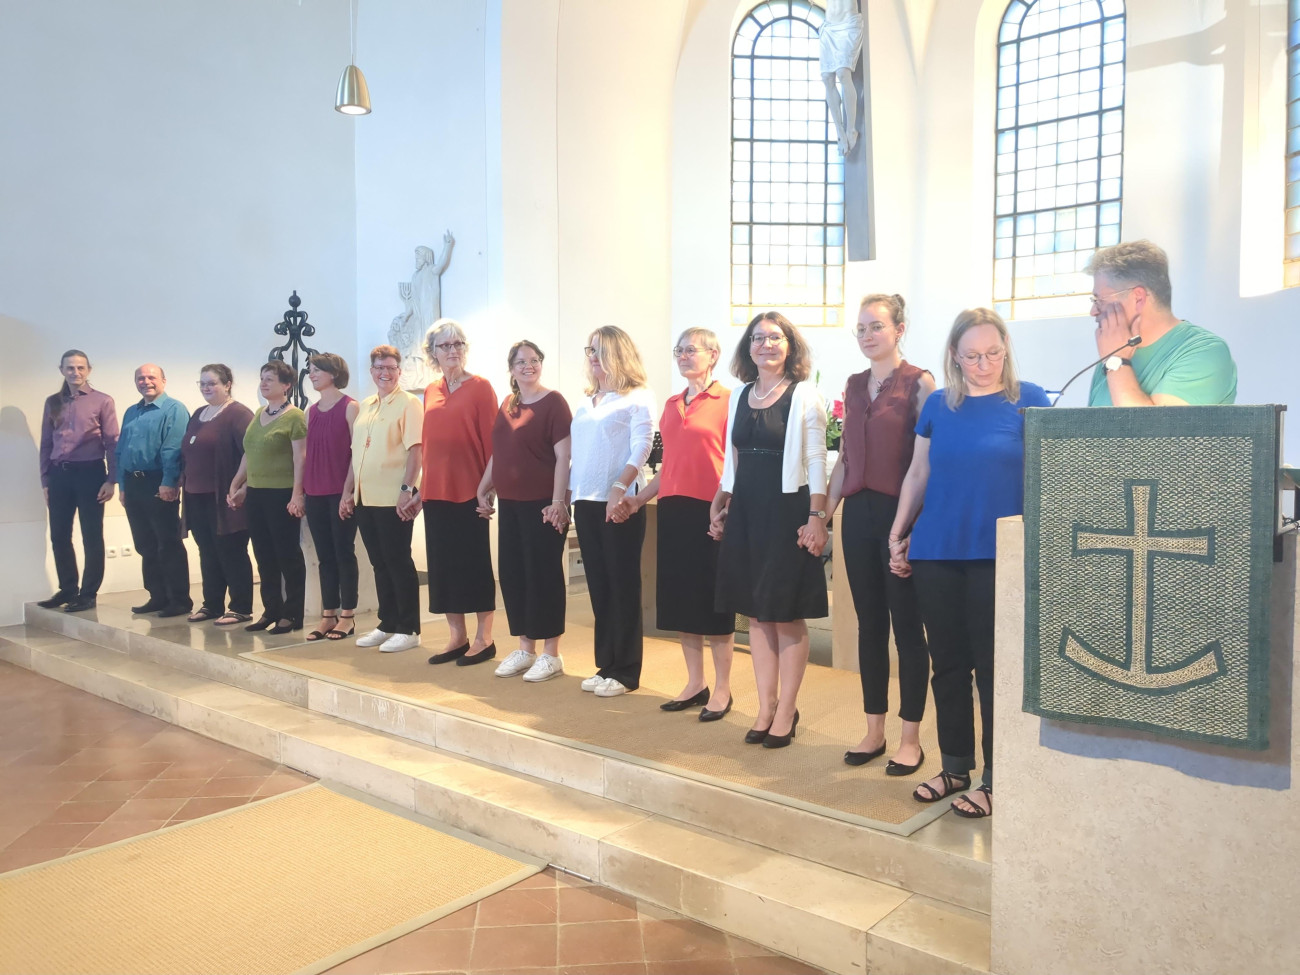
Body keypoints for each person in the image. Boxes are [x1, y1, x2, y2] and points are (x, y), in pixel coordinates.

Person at [888, 308, 1050, 819]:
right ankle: (955, 766)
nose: (984, 364)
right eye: (973, 356)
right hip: (937, 549)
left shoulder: (1030, 400)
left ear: (1006, 349)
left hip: (997, 553)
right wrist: (899, 531)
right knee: (949, 665)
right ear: (955, 356)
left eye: (993, 353)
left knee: (994, 669)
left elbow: (1047, 475)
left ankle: (998, 778)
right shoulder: (939, 404)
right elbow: (918, 473)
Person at [825, 295, 934, 773]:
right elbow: (844, 460)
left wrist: (910, 529)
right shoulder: (852, 386)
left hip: (901, 516)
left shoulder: (920, 382)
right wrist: (822, 515)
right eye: (861, 328)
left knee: (907, 628)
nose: (867, 335)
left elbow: (927, 463)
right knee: (869, 626)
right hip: (858, 516)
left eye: (877, 326)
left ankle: (911, 739)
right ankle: (874, 731)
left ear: (899, 330)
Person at [711, 312, 828, 749]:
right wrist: (724, 495)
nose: (766, 344)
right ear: (749, 348)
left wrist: (817, 516)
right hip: (746, 510)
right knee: (757, 614)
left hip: (786, 510)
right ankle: (766, 705)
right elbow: (734, 455)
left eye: (775, 337)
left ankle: (787, 709)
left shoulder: (804, 394)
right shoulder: (740, 394)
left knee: (785, 612)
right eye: (758, 338)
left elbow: (816, 459)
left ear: (789, 345)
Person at [615, 328, 735, 720]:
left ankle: (722, 688)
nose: (683, 356)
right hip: (673, 509)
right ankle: (695, 683)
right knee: (682, 600)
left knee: (713, 603)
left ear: (713, 355)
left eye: (691, 350)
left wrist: (727, 508)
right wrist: (639, 499)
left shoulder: (729, 401)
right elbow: (668, 467)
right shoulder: (670, 405)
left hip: (711, 509)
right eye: (678, 350)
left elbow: (735, 465)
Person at [569, 326, 656, 698]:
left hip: (619, 502)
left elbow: (642, 446)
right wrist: (565, 497)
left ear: (617, 353)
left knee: (622, 586)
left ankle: (626, 671)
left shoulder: (637, 396)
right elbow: (578, 455)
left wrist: (620, 487)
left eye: (599, 350)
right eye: (589, 349)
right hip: (585, 501)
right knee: (600, 586)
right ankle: (605, 664)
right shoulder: (586, 401)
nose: (592, 357)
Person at [479, 341, 573, 683]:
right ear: (511, 368)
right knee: (514, 574)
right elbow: (500, 452)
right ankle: (525, 647)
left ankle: (551, 653)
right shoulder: (508, 404)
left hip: (543, 504)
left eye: (534, 360)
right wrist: (483, 486)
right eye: (521, 361)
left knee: (543, 576)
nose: (528, 366)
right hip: (510, 503)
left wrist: (558, 502)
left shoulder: (554, 402)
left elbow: (564, 456)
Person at [420, 320, 499, 667]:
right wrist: (419, 488)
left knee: (474, 565)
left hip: (470, 490)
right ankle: (457, 636)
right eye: (445, 345)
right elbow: (428, 445)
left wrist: (488, 489)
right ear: (433, 352)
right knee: (443, 567)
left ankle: (485, 639)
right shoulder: (430, 390)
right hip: (435, 490)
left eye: (458, 344)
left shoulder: (481, 388)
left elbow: (494, 444)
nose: (453, 350)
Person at [1086, 239, 1237, 407]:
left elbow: (1152, 425)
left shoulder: (1205, 352)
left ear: (1138, 298)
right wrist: (1114, 360)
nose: (1093, 311)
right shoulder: (1112, 356)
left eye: (1100, 300)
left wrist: (1117, 362)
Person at [342, 345, 424, 653]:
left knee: (398, 561)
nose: (384, 373)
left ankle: (409, 628)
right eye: (379, 367)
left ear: (399, 371)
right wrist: (348, 491)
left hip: (393, 497)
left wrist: (407, 490)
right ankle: (388, 622)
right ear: (371, 371)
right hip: (365, 498)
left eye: (390, 368)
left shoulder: (409, 403)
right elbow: (357, 454)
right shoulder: (366, 405)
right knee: (379, 563)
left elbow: (416, 449)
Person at [226, 360, 307, 634]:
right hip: (256, 493)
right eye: (262, 378)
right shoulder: (259, 413)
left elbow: (300, 458)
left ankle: (292, 613)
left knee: (287, 555)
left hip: (281, 493)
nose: (263, 383)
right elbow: (250, 453)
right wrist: (237, 483)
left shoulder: (295, 416)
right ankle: (271, 610)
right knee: (263, 555)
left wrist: (297, 494)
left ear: (286, 385)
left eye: (270, 379)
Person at [37, 350, 119, 613]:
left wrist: (112, 479)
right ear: (62, 370)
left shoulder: (102, 401)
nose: (76, 372)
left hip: (90, 474)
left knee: (91, 535)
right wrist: (45, 481)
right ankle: (68, 588)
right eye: (70, 368)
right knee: (59, 535)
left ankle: (88, 593)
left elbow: (112, 442)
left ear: (89, 370)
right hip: (59, 475)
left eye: (81, 367)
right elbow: (46, 443)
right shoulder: (53, 402)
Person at [180, 365, 255, 626]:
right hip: (196, 495)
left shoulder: (239, 414)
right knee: (207, 551)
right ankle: (212, 604)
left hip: (224, 497)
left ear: (227, 384)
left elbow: (251, 452)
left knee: (231, 550)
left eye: (211, 383)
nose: (206, 388)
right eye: (202, 383)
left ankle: (241, 606)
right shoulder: (199, 413)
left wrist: (241, 487)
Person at [116, 363, 192, 617]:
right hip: (133, 483)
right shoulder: (132, 411)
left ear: (163, 381)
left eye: (151, 377)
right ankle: (157, 596)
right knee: (145, 544)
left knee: (168, 542)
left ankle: (179, 600)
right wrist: (123, 486)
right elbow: (121, 450)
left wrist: (169, 481)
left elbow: (173, 448)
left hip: (158, 481)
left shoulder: (174, 409)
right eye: (141, 378)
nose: (146, 382)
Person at [302, 354, 360, 641]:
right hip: (314, 491)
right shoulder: (310, 411)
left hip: (339, 491)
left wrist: (348, 492)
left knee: (343, 552)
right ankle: (328, 614)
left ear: (333, 374)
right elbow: (306, 454)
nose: (312, 375)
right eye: (310, 371)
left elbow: (356, 454)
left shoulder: (350, 407)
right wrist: (301, 492)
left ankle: (348, 615)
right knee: (324, 556)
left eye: (317, 370)